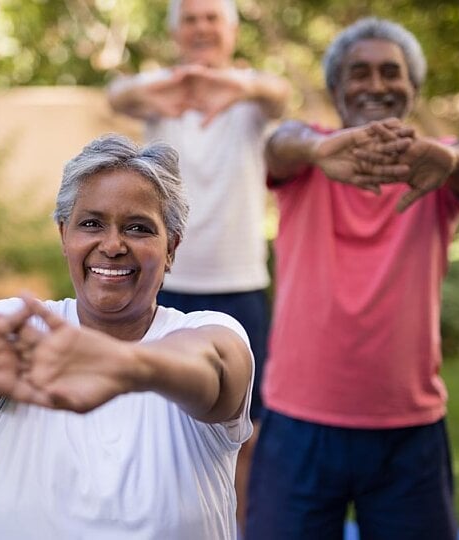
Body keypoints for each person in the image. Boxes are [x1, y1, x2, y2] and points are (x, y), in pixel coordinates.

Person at [0, 133, 255, 539]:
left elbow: (210, 369)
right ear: (64, 235)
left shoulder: (208, 331)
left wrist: (123, 366)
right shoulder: (18, 324)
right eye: (91, 224)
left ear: (171, 248)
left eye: (138, 228)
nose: (112, 246)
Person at [245, 17, 459, 540]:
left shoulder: (435, 165)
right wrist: (317, 149)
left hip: (408, 427)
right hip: (299, 421)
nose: (376, 85)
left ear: (412, 88)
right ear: (337, 89)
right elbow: (279, 142)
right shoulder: (309, 156)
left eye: (390, 72)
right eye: (359, 73)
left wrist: (450, 159)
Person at [107, 0, 290, 528]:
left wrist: (236, 85)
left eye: (212, 18)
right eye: (191, 19)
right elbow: (116, 94)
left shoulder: (249, 96)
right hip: (162, 284)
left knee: (245, 431)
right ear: (176, 32)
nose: (202, 28)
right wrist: (163, 90)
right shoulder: (161, 90)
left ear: (231, 30)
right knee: (153, 420)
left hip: (239, 283)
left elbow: (280, 94)